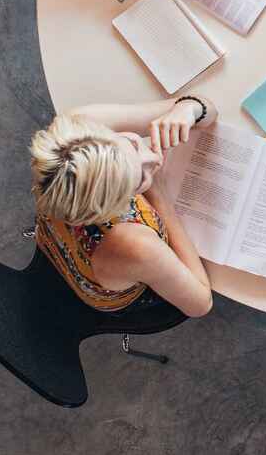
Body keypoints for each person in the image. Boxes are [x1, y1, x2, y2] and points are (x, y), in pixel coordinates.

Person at [30, 95, 217, 318]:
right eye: (140, 179)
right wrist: (160, 196)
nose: (155, 159)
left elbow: (206, 108)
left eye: (133, 143)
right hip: (109, 293)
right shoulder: (134, 243)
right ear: (116, 206)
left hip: (55, 239)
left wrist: (189, 109)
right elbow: (201, 303)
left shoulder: (81, 125)